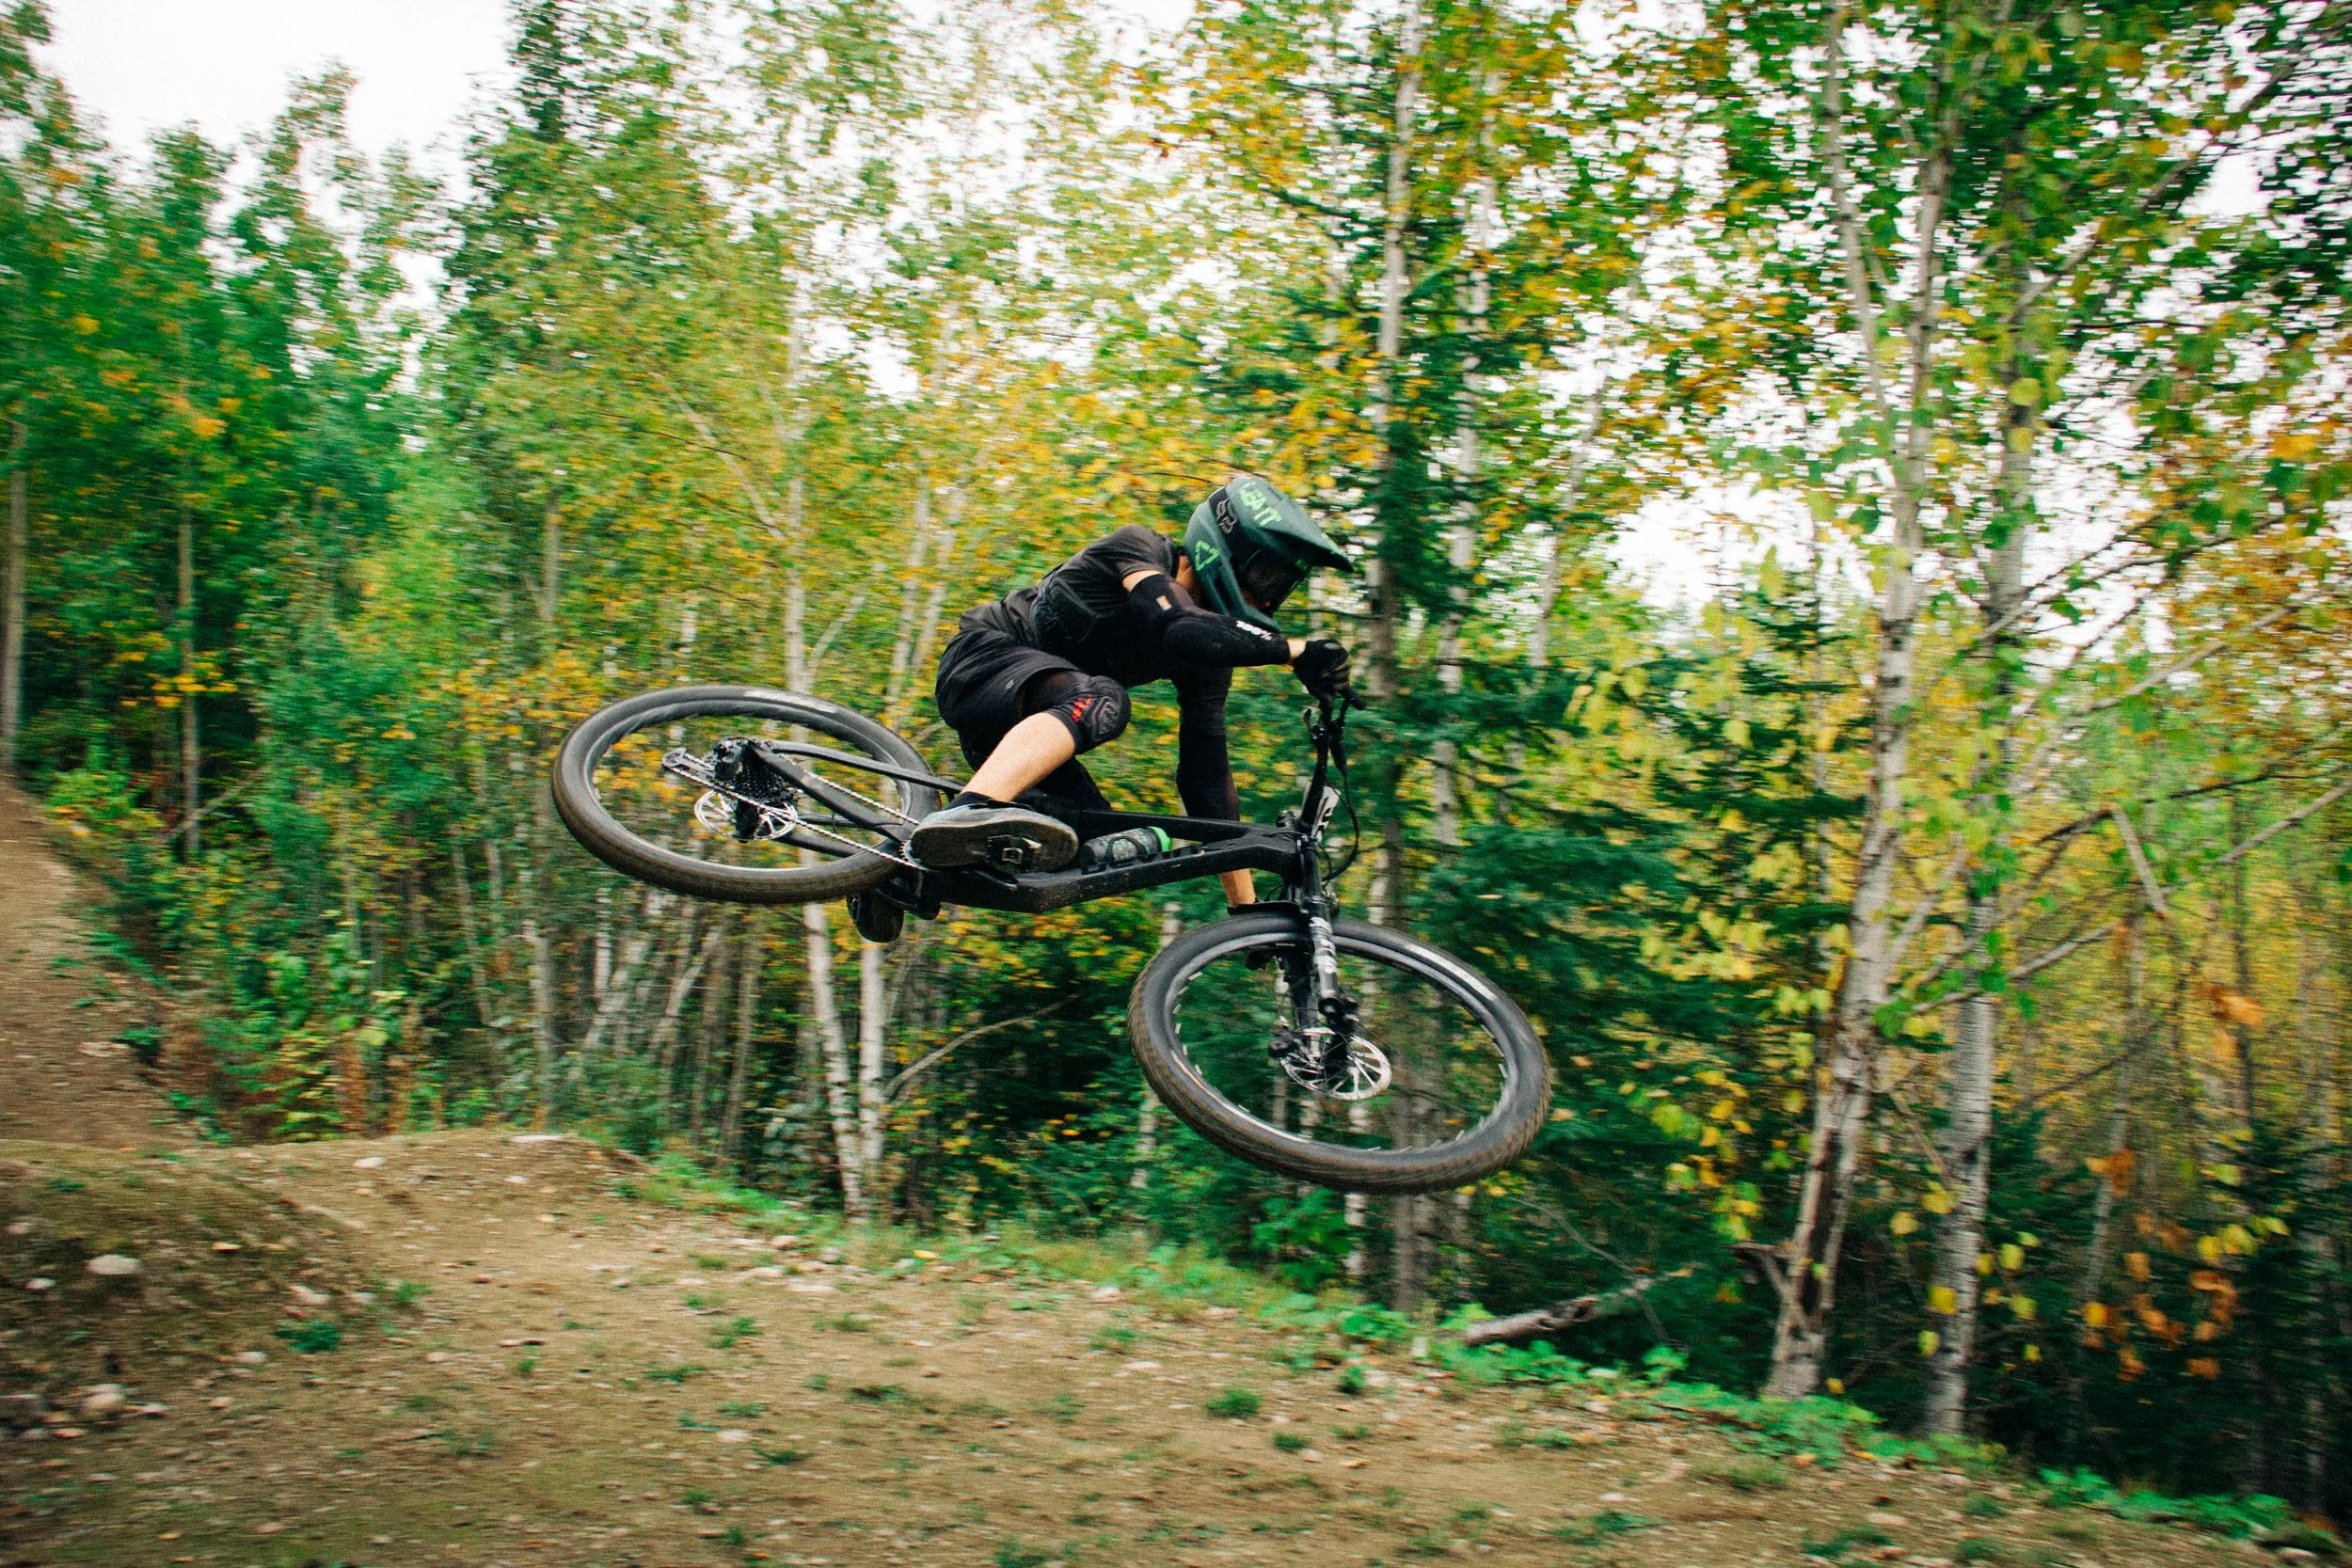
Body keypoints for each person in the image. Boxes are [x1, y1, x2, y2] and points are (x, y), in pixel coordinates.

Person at [904, 474, 1352, 894]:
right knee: (1103, 699)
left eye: (1285, 587)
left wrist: (1246, 906)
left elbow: (1207, 783)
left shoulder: (1208, 654)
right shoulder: (1138, 548)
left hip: (1017, 744)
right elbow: (1178, 623)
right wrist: (1296, 650)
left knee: (1105, 842)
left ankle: (902, 872)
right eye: (1267, 575)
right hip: (981, 665)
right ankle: (969, 810)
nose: (1271, 598)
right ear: (1228, 544)